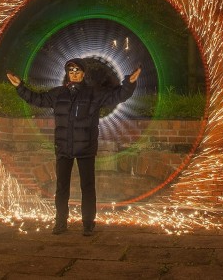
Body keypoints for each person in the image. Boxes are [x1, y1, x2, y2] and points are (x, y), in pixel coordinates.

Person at [7, 58, 141, 236]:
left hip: (85, 148)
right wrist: (20, 87)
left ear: (84, 74)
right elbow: (36, 99)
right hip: (63, 148)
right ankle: (60, 222)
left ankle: (88, 224)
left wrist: (129, 83)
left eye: (78, 71)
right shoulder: (58, 94)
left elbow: (118, 95)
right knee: (62, 187)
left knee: (88, 186)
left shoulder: (94, 94)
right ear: (68, 74)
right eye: (71, 71)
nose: (75, 74)